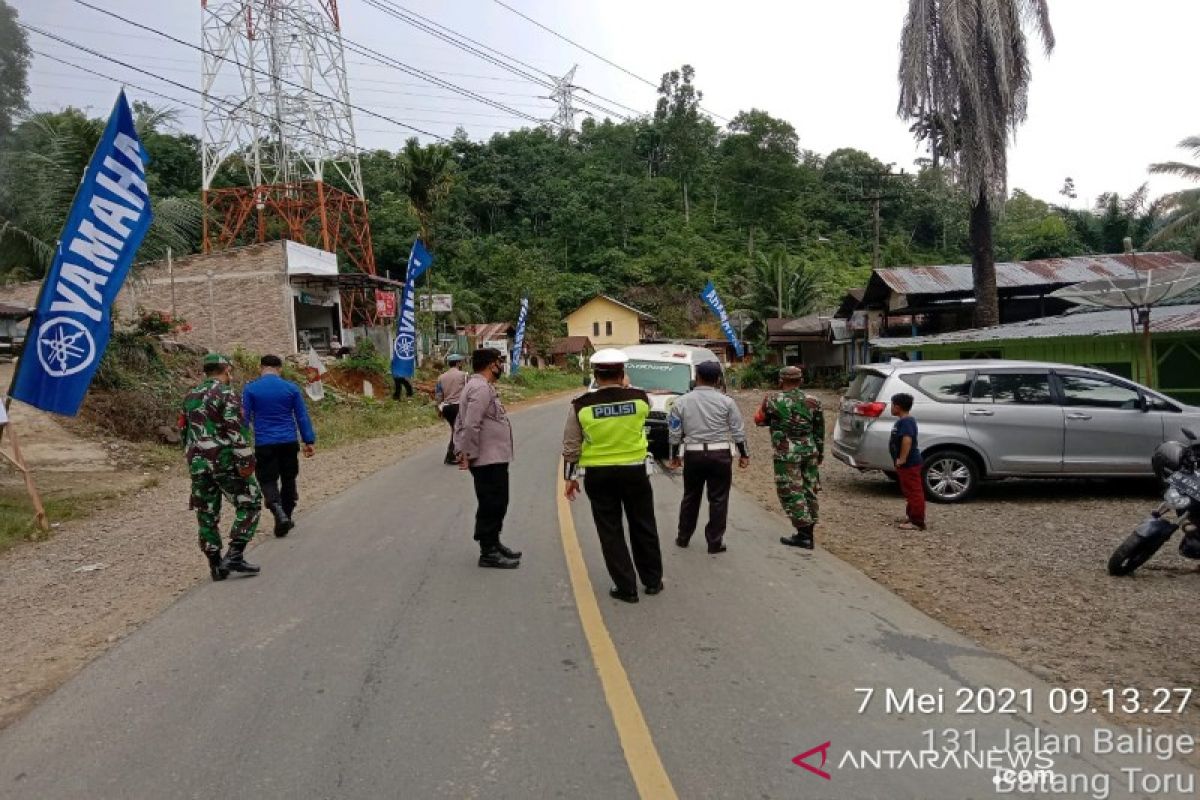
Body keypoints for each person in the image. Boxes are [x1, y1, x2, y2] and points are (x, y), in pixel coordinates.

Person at [562, 349, 664, 603]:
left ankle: (626, 587)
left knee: (610, 530)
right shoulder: (640, 399)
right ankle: (652, 581)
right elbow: (645, 407)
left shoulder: (580, 404)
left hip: (599, 475)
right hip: (635, 471)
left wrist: (569, 477)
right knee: (643, 525)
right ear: (622, 374)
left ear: (596, 375)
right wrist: (625, 386)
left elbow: (571, 445)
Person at [179, 353, 263, 580]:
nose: (231, 375)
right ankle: (235, 554)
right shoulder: (226, 393)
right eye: (230, 371)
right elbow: (235, 429)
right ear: (225, 370)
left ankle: (215, 565)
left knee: (206, 512)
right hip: (223, 460)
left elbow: (184, 432)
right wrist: (246, 460)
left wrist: (192, 460)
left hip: (197, 464)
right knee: (251, 501)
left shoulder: (190, 396)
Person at [667, 361, 749, 554]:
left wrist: (674, 456)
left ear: (697, 377)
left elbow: (674, 432)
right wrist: (744, 454)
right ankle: (714, 542)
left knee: (690, 496)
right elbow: (738, 431)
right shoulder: (727, 402)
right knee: (719, 499)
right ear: (718, 379)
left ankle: (683, 537)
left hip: (693, 454)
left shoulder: (681, 402)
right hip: (720, 455)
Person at [454, 348, 522, 568]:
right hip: (486, 458)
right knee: (492, 502)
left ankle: (494, 542)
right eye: (499, 362)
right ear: (491, 364)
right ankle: (488, 551)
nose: (501, 366)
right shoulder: (480, 388)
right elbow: (471, 424)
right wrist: (467, 453)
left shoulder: (478, 386)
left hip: (492, 456)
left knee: (497, 501)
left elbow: (461, 421)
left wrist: (461, 449)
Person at [243, 354, 317, 537]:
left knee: (267, 479)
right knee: (288, 478)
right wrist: (308, 441)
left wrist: (241, 443)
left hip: (265, 443)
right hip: (288, 441)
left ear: (261, 368)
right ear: (280, 369)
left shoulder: (251, 389)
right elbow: (301, 416)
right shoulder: (291, 388)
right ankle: (286, 516)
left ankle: (277, 510)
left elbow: (243, 419)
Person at [755, 365, 824, 549]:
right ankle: (809, 532)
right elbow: (819, 429)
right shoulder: (814, 400)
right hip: (809, 451)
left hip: (786, 453)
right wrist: (820, 453)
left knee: (790, 491)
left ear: (780, 381)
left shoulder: (772, 400)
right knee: (809, 489)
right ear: (801, 380)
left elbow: (758, 419)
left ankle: (803, 535)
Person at [889, 392, 926, 531]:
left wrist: (903, 458)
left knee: (914, 491)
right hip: (906, 464)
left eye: (892, 405)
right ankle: (911, 515)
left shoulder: (907, 422)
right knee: (909, 490)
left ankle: (917, 521)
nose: (891, 407)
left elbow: (907, 440)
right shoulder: (903, 421)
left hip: (910, 463)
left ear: (897, 407)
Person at [436, 354, 469, 465]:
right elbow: (469, 391)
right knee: (457, 431)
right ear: (458, 363)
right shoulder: (464, 375)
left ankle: (454, 454)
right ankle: (451, 455)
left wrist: (439, 409)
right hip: (458, 406)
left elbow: (439, 395)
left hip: (446, 408)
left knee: (455, 430)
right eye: (461, 362)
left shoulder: (441, 377)